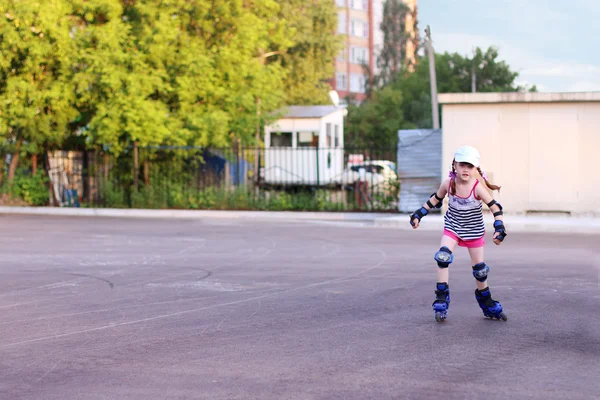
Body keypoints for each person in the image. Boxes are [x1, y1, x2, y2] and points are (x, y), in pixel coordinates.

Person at [409, 145, 508, 322]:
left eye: (470, 166)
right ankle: (441, 299)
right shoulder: (448, 184)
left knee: (480, 271)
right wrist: (419, 214)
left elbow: (495, 207)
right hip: (453, 228)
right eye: (462, 164)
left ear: (475, 169)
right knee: (443, 257)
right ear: (454, 165)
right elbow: (435, 199)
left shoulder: (477, 188)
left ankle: (487, 302)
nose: (465, 169)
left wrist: (499, 228)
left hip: (474, 231)